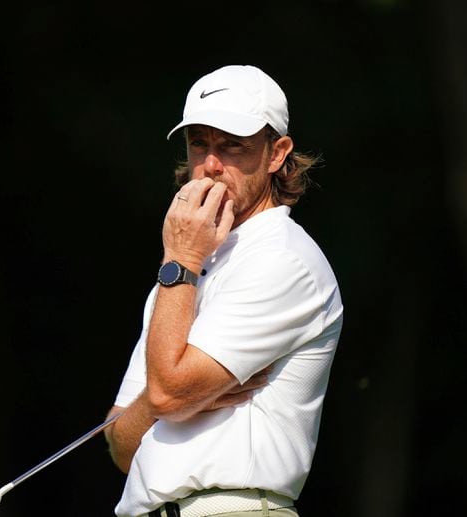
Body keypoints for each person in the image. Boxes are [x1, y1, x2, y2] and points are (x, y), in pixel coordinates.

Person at [103, 64, 344, 517]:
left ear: (278, 153)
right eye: (200, 143)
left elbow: (166, 394)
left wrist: (172, 394)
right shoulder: (189, 265)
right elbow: (120, 443)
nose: (211, 164)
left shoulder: (281, 258)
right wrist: (175, 394)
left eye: (233, 145)